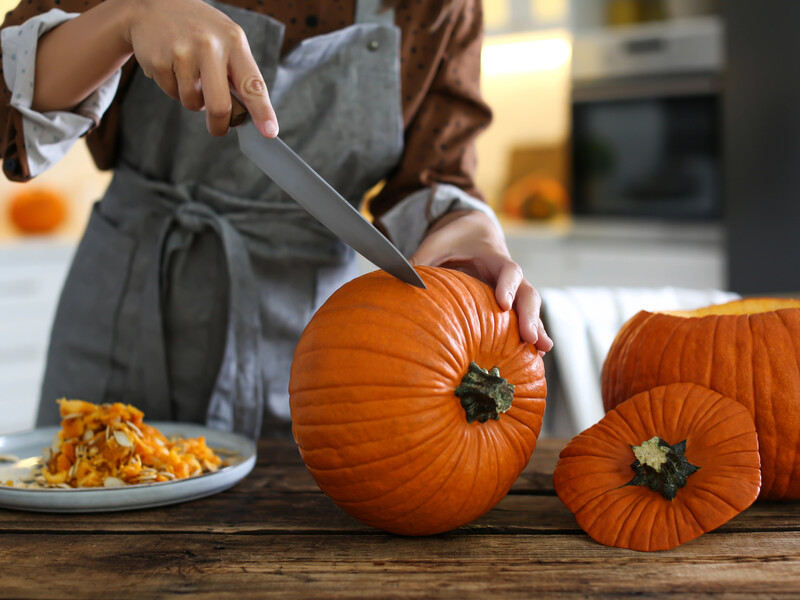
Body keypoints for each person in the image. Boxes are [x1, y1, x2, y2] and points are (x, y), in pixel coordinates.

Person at [0, 0, 552, 438]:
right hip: (120, 308)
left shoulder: (440, 8)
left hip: (312, 357)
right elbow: (12, 107)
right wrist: (127, 16)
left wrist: (472, 236)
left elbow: (436, 176)